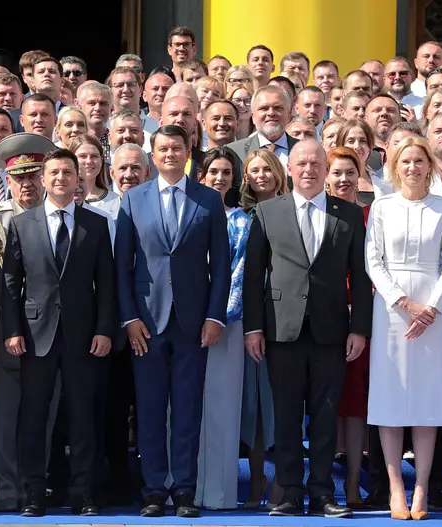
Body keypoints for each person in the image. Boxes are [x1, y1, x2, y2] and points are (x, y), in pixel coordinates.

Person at [243, 139, 372, 519]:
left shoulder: (348, 214)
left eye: (317, 163)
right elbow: (254, 277)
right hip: (281, 331)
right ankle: (288, 494)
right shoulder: (267, 212)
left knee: (325, 414)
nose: (309, 169)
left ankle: (321, 494)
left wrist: (359, 328)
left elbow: (361, 279)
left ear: (325, 168)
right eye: (302, 163)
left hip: (332, 331)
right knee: (285, 415)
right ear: (291, 169)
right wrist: (254, 328)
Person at [116, 125, 230, 517]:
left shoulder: (209, 200)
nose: (169, 154)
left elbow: (222, 266)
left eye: (176, 148)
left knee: (186, 410)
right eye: (162, 148)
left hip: (193, 322)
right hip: (146, 323)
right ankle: (153, 490)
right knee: (148, 410)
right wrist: (129, 317)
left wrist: (215, 316)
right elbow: (121, 267)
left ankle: (183, 490)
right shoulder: (133, 199)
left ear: (188, 151)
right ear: (153, 153)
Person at [1, 146, 115, 517]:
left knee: (82, 416)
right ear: (43, 178)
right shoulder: (21, 223)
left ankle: (83, 494)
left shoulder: (95, 224)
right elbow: (9, 283)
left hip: (83, 336)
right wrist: (12, 330)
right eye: (54, 173)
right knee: (34, 416)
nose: (61, 179)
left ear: (78, 177)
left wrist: (103, 330)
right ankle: (34, 492)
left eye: (68, 172)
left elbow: (107, 284)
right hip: (36, 335)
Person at [365, 135, 442, 520]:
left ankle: (421, 487)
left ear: (430, 166)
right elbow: (374, 259)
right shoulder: (382, 206)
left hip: (434, 312)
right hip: (391, 310)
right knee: (390, 400)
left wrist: (432, 308)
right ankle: (395, 487)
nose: (412, 168)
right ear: (395, 166)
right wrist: (404, 303)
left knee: (427, 402)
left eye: (419, 161)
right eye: (405, 161)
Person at [0, 132, 55, 512]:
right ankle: (7, 490)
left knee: (42, 416)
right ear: (7, 181)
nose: (27, 183)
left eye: (34, 175)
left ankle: (35, 488)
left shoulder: (61, 214)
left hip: (50, 337)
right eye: (19, 177)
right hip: (6, 338)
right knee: (3, 419)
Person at [193, 147, 247, 510]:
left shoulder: (242, 220)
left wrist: (218, 317)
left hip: (226, 326)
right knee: (186, 410)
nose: (220, 177)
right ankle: (185, 487)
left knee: (222, 409)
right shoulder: (190, 211)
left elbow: (238, 272)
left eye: (227, 172)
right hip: (185, 326)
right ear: (200, 174)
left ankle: (219, 493)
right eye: (213, 170)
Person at [238, 149, 288, 510]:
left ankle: (283, 482)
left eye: (266, 169)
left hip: (283, 317)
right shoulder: (238, 217)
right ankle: (256, 477)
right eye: (253, 170)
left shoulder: (291, 211)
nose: (260, 175)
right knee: (253, 405)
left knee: (282, 401)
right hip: (245, 320)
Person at [325, 146, 370, 508]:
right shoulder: (310, 212)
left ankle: (354, 482)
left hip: (359, 323)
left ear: (360, 177)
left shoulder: (371, 215)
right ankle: (321, 484)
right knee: (325, 404)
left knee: (354, 405)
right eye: (336, 173)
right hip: (318, 324)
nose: (343, 180)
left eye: (349, 173)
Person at [69, 134, 119, 217]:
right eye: (82, 156)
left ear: (101, 160)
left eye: (94, 156)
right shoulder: (63, 198)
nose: (89, 161)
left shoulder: (115, 200)